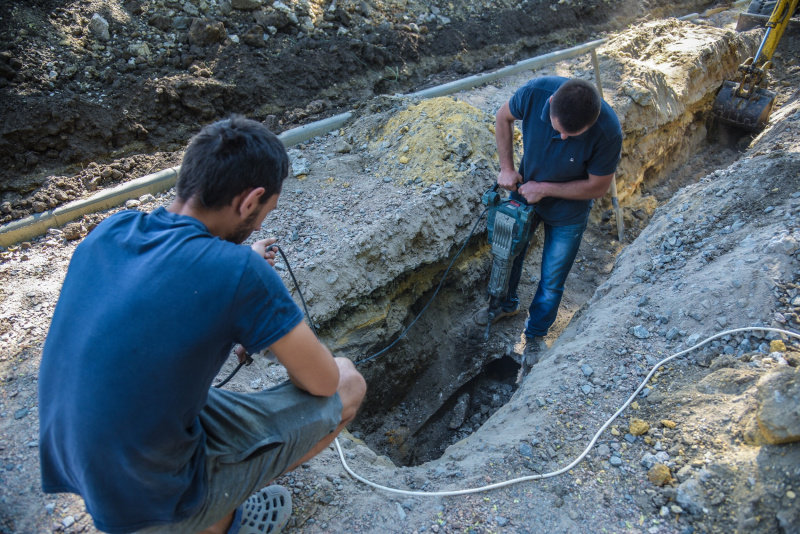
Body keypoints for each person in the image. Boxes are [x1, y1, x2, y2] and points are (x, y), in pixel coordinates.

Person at [38, 116, 366, 534]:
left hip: (78, 460)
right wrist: (254, 287)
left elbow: (159, 312)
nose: (261, 225)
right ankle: (211, 515)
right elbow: (321, 383)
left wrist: (242, 274)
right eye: (266, 211)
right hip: (150, 496)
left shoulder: (110, 230)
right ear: (251, 201)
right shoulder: (239, 272)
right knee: (348, 382)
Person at [474, 76, 623, 373]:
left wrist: (544, 189)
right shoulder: (534, 93)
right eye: (559, 130)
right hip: (525, 195)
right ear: (551, 103)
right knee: (509, 254)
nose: (564, 139)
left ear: (592, 122)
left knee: (552, 278)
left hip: (568, 211)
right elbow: (502, 117)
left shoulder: (608, 132)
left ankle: (535, 335)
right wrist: (506, 167)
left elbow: (597, 187)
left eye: (574, 135)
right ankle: (506, 304)